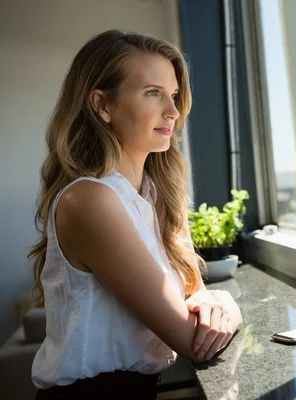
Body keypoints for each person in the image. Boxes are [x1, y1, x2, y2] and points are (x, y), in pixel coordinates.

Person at [28, 30, 243, 399]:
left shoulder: (154, 199)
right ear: (103, 105)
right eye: (152, 93)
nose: (173, 111)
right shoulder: (90, 200)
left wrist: (213, 301)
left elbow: (197, 297)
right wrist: (229, 303)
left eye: (173, 95)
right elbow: (194, 339)